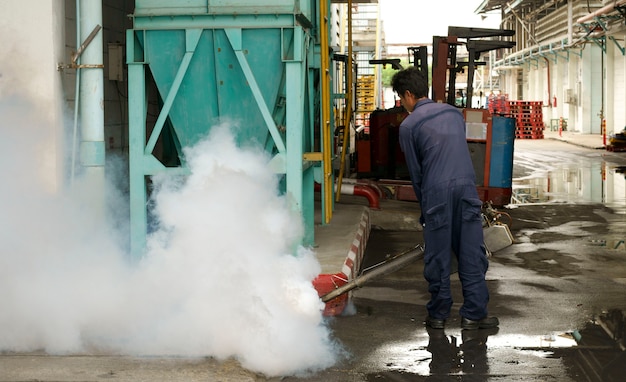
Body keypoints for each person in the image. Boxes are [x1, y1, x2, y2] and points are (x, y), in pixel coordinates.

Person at [391, 67, 498, 330]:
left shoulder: (409, 125)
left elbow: (416, 174)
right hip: (466, 188)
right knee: (471, 252)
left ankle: (439, 315)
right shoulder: (453, 113)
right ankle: (474, 314)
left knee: (438, 256)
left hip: (436, 190)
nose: (402, 104)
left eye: (401, 99)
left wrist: (425, 208)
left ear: (408, 95)